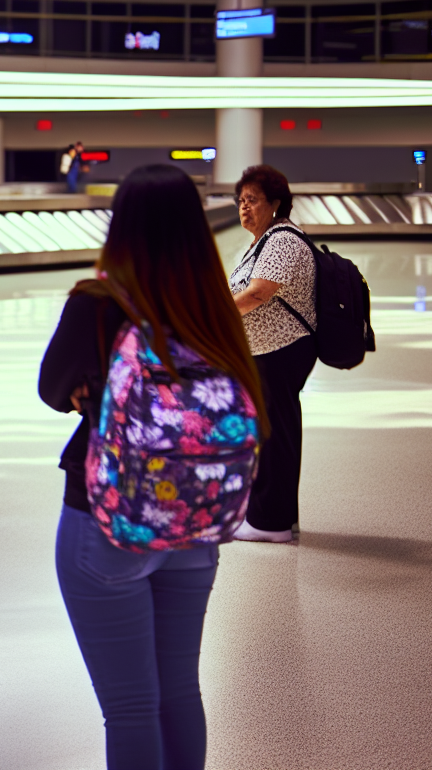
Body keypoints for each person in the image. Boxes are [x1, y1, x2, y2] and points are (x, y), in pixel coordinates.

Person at [38, 164, 265, 770]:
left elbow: (51, 387)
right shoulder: (212, 307)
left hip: (110, 519)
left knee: (131, 708)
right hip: (197, 519)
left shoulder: (99, 303)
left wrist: (93, 393)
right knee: (179, 691)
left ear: (123, 229)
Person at [228, 164, 317, 544]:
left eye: (253, 200)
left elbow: (258, 293)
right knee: (274, 430)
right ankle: (278, 516)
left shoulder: (282, 240)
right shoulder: (265, 240)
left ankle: (271, 523)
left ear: (276, 204)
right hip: (270, 352)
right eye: (241, 201)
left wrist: (215, 317)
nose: (244, 208)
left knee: (273, 433)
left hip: (280, 352)